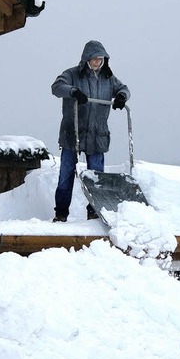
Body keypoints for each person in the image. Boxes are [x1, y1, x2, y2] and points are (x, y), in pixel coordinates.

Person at [51, 40, 130, 222]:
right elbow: (56, 87)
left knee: (96, 177)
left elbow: (124, 88)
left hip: (97, 135)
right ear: (86, 58)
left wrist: (121, 96)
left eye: (100, 59)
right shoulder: (72, 74)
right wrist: (73, 91)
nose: (96, 62)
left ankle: (94, 212)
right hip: (73, 134)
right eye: (93, 58)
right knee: (66, 176)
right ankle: (61, 213)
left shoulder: (108, 78)